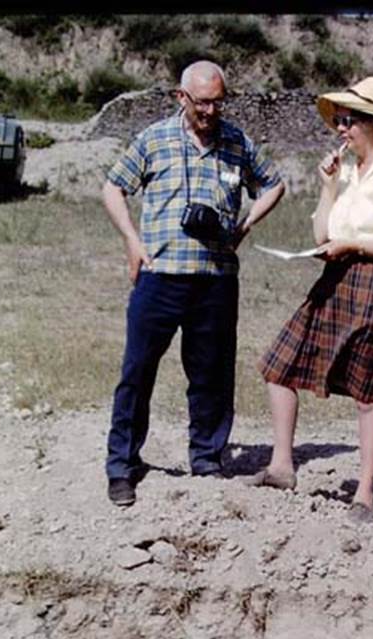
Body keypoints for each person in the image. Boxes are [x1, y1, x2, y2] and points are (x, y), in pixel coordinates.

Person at [103, 61, 285, 506]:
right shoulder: (153, 139)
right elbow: (113, 188)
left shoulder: (237, 142)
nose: (210, 110)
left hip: (216, 281)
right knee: (137, 373)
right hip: (160, 277)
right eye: (202, 101)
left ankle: (207, 457)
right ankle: (122, 466)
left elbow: (274, 184)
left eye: (218, 101)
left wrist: (244, 227)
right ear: (180, 97)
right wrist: (132, 240)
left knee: (212, 375)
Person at [252, 77, 373, 523]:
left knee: (368, 394)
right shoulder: (349, 171)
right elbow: (321, 236)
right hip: (337, 279)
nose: (341, 130)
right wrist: (328, 187)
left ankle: (364, 493)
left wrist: (357, 247)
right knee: (279, 365)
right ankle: (282, 466)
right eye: (340, 121)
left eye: (348, 121)